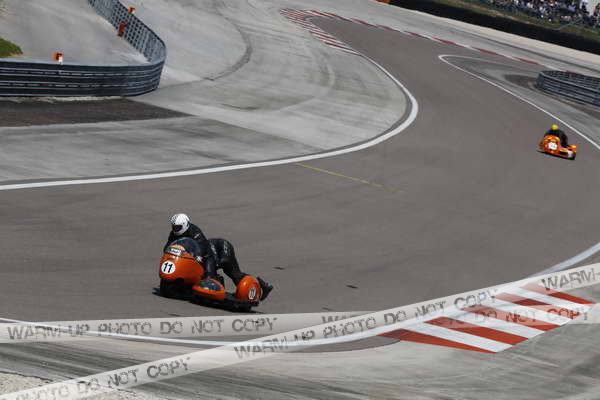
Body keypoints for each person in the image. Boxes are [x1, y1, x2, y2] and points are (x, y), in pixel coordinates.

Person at [164, 213, 273, 301]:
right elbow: (168, 245)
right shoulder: (174, 233)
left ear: (185, 225)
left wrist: (198, 255)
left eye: (178, 227)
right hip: (205, 251)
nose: (175, 229)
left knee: (230, 274)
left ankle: (260, 286)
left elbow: (202, 247)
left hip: (218, 250)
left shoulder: (195, 231)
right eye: (174, 227)